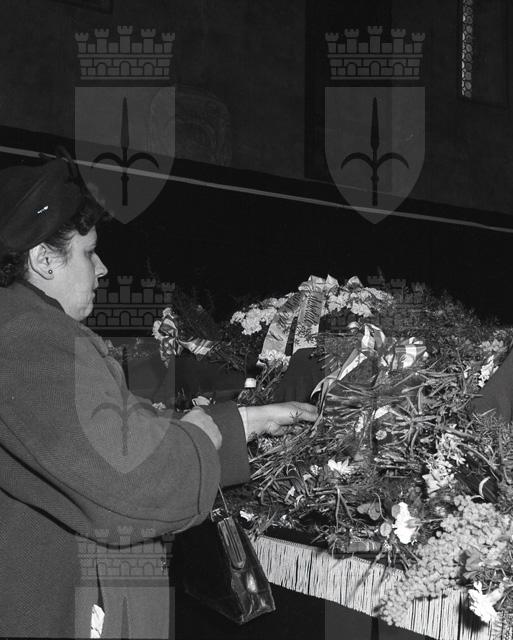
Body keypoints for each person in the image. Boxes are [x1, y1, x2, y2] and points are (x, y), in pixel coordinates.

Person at [0, 157, 317, 638]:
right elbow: (129, 481)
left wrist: (243, 422)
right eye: (89, 253)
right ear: (44, 259)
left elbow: (116, 432)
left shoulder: (29, 332)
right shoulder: (29, 341)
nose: (102, 268)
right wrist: (205, 434)